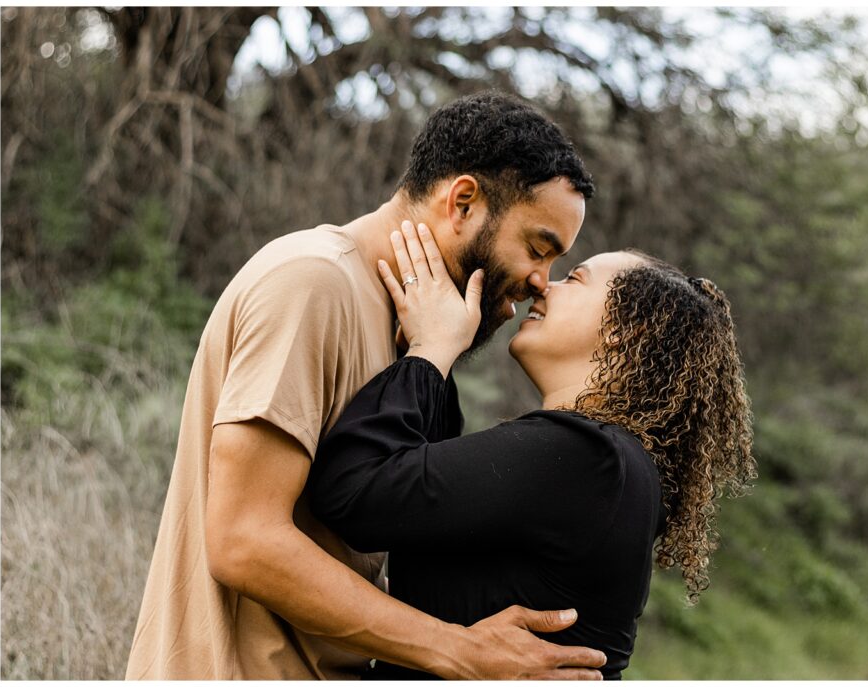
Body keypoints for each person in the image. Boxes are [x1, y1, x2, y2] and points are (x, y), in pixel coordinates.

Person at [125, 92, 610, 679]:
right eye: (538, 248)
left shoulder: (419, 329)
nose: (541, 282)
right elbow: (244, 539)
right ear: (462, 203)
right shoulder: (312, 284)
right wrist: (459, 650)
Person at [307, 222, 758, 679]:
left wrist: (429, 351)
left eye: (575, 279)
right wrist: (437, 350)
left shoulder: (586, 457)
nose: (546, 285)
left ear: (631, 329)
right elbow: (424, 480)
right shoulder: (608, 463)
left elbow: (352, 493)